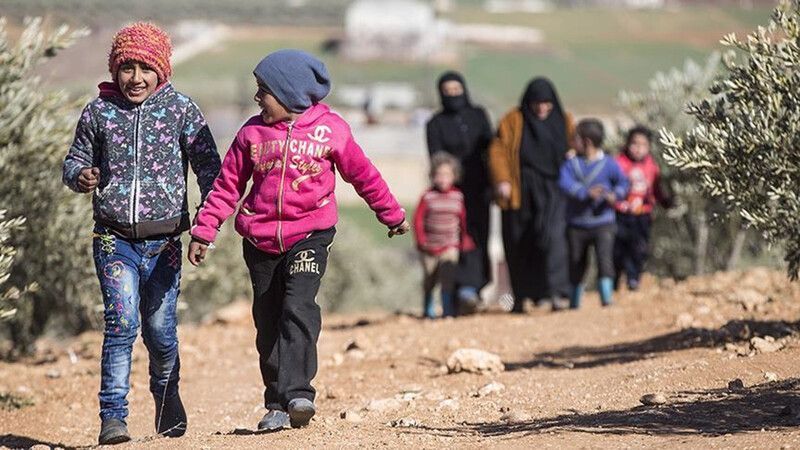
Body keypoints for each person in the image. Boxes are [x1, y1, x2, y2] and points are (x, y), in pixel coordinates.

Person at [188, 49, 409, 432]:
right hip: (259, 240)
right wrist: (204, 231)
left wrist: (391, 214)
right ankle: (275, 403)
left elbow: (363, 175)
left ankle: (298, 394)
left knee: (298, 307)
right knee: (268, 320)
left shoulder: (331, 130)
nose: (257, 97)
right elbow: (226, 187)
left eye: (264, 90)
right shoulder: (251, 134)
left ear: (288, 93)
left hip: (310, 234)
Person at [61, 22, 221, 445]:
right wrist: (81, 175)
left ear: (162, 70)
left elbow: (211, 171)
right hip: (113, 240)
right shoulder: (99, 112)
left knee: (160, 331)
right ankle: (113, 417)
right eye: (126, 68)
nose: (135, 78)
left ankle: (166, 396)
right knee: (121, 324)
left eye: (145, 68)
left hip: (164, 244)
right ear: (114, 69)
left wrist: (206, 223)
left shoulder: (181, 111)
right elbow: (73, 161)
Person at [488, 78, 574, 312]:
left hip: (554, 190)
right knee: (519, 241)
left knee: (553, 239)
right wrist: (503, 180)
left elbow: (575, 148)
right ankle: (521, 296)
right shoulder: (513, 120)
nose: (542, 108)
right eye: (537, 103)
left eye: (547, 103)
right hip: (520, 189)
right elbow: (498, 150)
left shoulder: (564, 121)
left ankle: (555, 293)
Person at [426, 71, 493, 313]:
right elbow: (437, 157)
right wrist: (448, 180)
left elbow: (490, 148)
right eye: (448, 91)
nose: (453, 95)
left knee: (478, 237)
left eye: (457, 90)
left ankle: (474, 288)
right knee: (452, 240)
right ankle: (457, 293)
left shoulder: (478, 115)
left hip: (480, 189)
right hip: (451, 192)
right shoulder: (435, 124)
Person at [558, 119, 628, 309]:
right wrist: (584, 193)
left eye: (575, 139)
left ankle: (606, 298)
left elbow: (623, 183)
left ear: (587, 141)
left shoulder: (609, 164)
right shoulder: (571, 164)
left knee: (605, 260)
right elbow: (564, 183)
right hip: (576, 224)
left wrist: (614, 195)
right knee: (576, 262)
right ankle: (574, 301)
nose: (572, 143)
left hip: (603, 223)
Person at [413, 153, 476, 318]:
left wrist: (464, 239)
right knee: (430, 279)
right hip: (429, 247)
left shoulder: (458, 197)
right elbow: (418, 220)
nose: (443, 179)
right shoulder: (428, 196)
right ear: (433, 176)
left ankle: (447, 309)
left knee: (447, 277)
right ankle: (428, 308)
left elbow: (462, 220)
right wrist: (421, 240)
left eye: (447, 175)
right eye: (439, 175)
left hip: (450, 245)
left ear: (454, 176)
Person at [614, 125, 672, 291]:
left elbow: (656, 189)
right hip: (620, 214)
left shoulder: (651, 166)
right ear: (627, 144)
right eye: (634, 144)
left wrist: (665, 201)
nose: (638, 149)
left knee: (638, 248)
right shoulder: (618, 163)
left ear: (649, 147)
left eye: (643, 145)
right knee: (617, 249)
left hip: (642, 215)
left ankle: (633, 279)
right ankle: (614, 280)